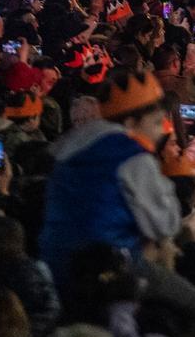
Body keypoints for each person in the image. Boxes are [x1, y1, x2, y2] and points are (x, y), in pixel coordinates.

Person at [37, 68, 181, 290]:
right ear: (132, 123)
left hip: (55, 267)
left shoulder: (67, 150)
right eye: (156, 123)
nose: (161, 132)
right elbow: (166, 224)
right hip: (109, 272)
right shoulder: (131, 156)